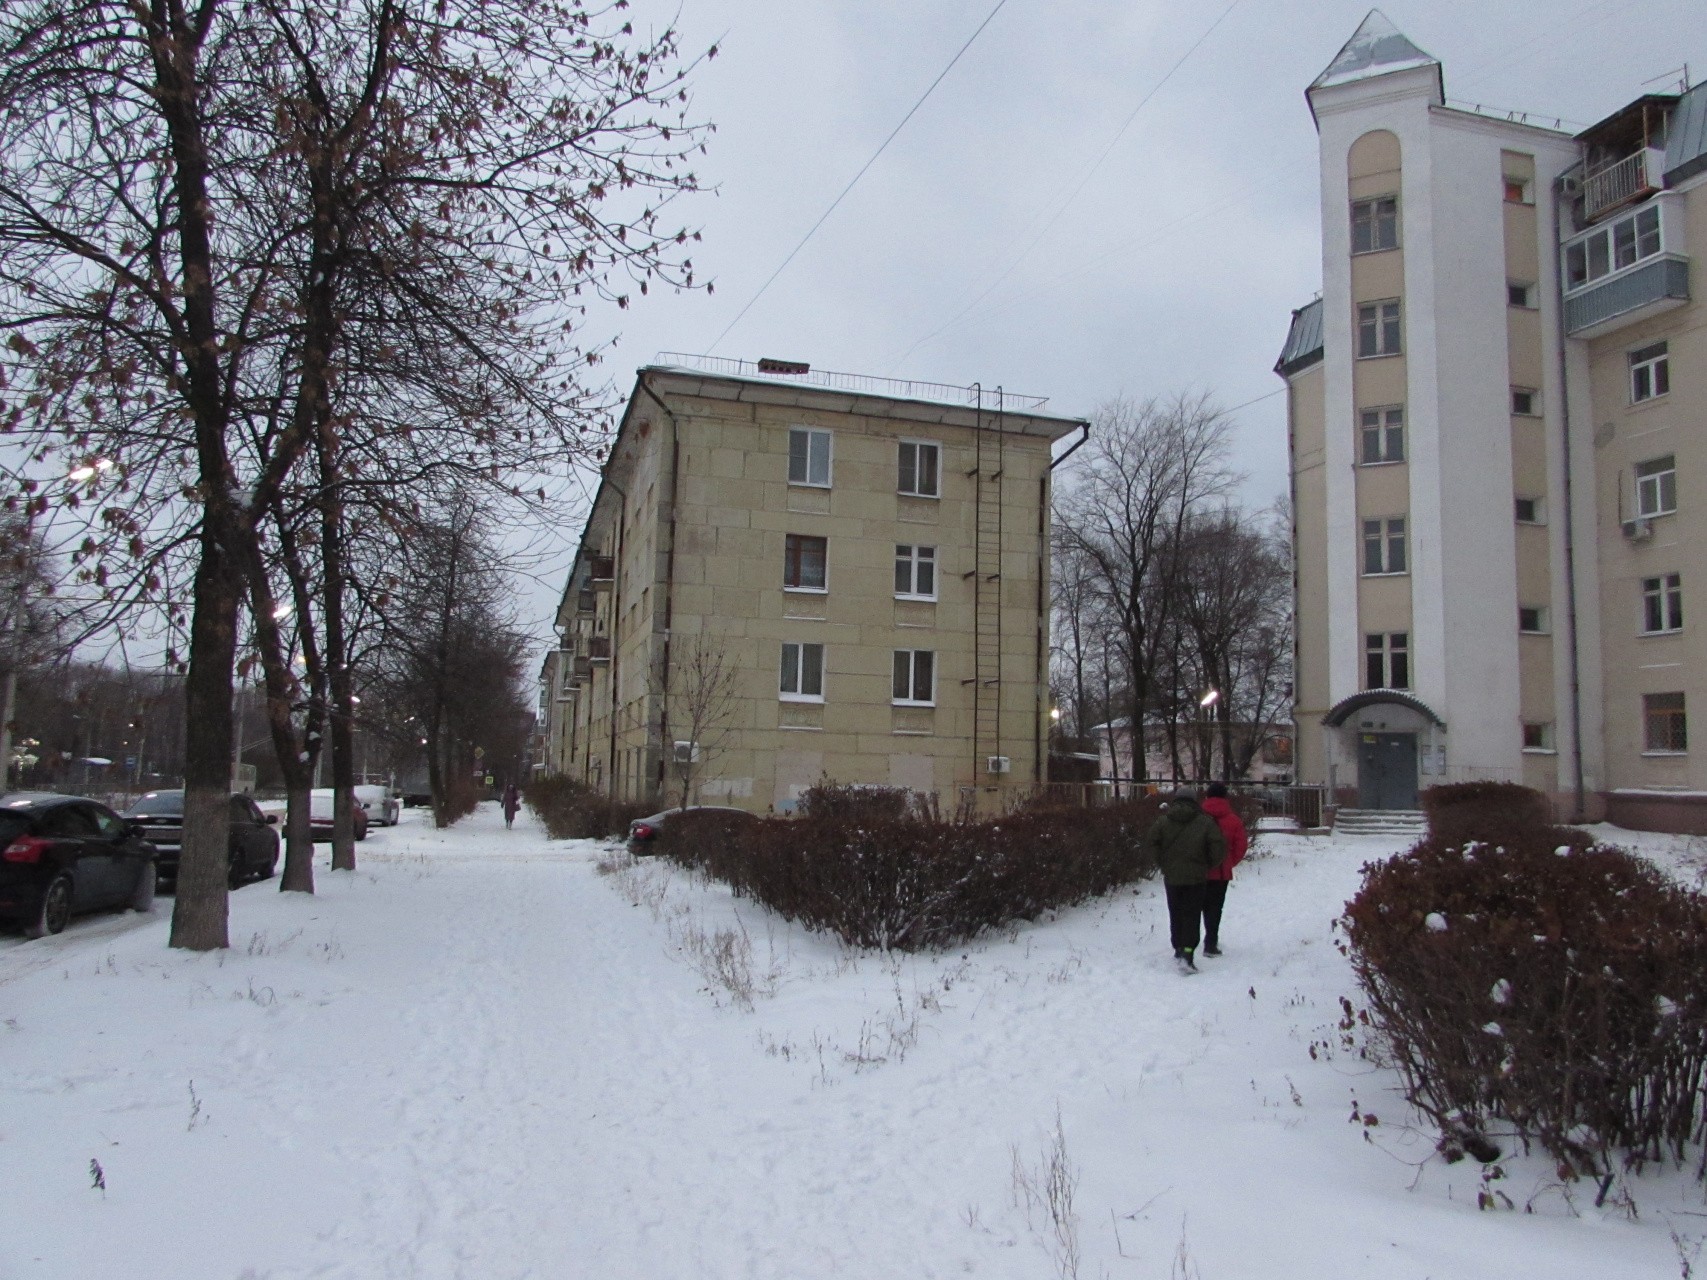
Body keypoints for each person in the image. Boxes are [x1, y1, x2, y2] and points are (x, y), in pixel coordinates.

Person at [1143, 788, 1227, 973]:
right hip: (1197, 877)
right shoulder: (1205, 822)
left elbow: (1151, 843)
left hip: (1172, 876)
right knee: (1192, 914)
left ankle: (1178, 948)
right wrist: (1207, 865)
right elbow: (1218, 847)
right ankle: (1188, 953)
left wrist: (1162, 863)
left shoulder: (1163, 821)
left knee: (1176, 911)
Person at [1198, 782, 1249, 957]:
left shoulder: (1198, 818)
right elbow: (1240, 846)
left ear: (1208, 796)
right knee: (1215, 908)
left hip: (1198, 871)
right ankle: (1210, 943)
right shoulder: (1233, 820)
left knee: (1196, 907)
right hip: (1221, 873)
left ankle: (1189, 943)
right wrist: (1228, 862)